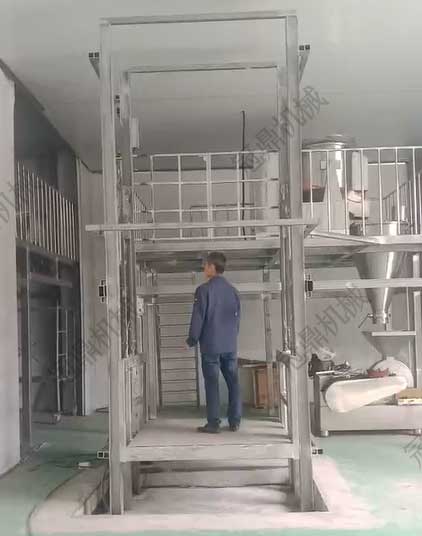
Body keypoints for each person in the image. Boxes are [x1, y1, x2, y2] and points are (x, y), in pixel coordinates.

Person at [186, 251, 242, 434]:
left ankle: (213, 423)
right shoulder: (233, 291)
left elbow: (198, 317)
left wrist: (192, 339)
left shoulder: (203, 290)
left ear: (212, 267)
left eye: (205, 265)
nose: (204, 268)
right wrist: (232, 338)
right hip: (230, 345)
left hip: (211, 345)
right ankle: (235, 421)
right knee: (233, 382)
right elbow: (237, 319)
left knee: (212, 383)